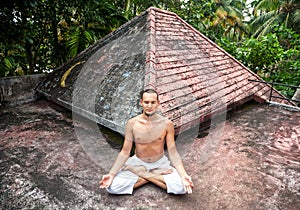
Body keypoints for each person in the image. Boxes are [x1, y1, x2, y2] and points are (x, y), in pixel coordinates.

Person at [99, 89, 194, 194]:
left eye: (153, 102)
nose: (149, 106)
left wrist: (184, 175)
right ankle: (153, 175)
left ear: (158, 103)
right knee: (112, 187)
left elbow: (173, 152)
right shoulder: (132, 123)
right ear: (141, 103)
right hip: (137, 162)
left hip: (160, 163)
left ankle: (142, 173)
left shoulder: (167, 124)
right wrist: (111, 174)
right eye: (146, 102)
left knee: (181, 187)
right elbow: (125, 152)